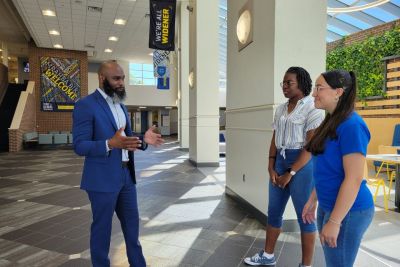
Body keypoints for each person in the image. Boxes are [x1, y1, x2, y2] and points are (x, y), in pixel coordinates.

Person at [72, 60, 164, 267]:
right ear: (102, 78)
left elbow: (127, 138)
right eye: (116, 78)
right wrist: (108, 144)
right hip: (101, 179)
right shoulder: (86, 105)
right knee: (102, 230)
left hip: (126, 178)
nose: (121, 82)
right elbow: (79, 145)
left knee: (132, 228)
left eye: (122, 78)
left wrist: (143, 140)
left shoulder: (120, 105)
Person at [244, 67, 324, 266]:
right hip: (280, 159)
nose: (285, 87)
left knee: (305, 216)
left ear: (302, 83)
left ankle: (306, 264)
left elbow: (310, 145)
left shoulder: (312, 107)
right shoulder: (280, 108)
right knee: (274, 211)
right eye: (283, 83)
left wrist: (291, 172)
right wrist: (271, 166)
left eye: (290, 83)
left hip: (302, 163)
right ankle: (268, 255)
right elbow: (275, 138)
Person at [302, 70, 374, 267]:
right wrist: (312, 199)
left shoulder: (352, 125)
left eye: (319, 88)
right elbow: (328, 170)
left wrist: (334, 222)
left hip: (349, 212)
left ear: (338, 92)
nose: (314, 93)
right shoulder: (331, 121)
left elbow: (354, 178)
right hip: (328, 206)